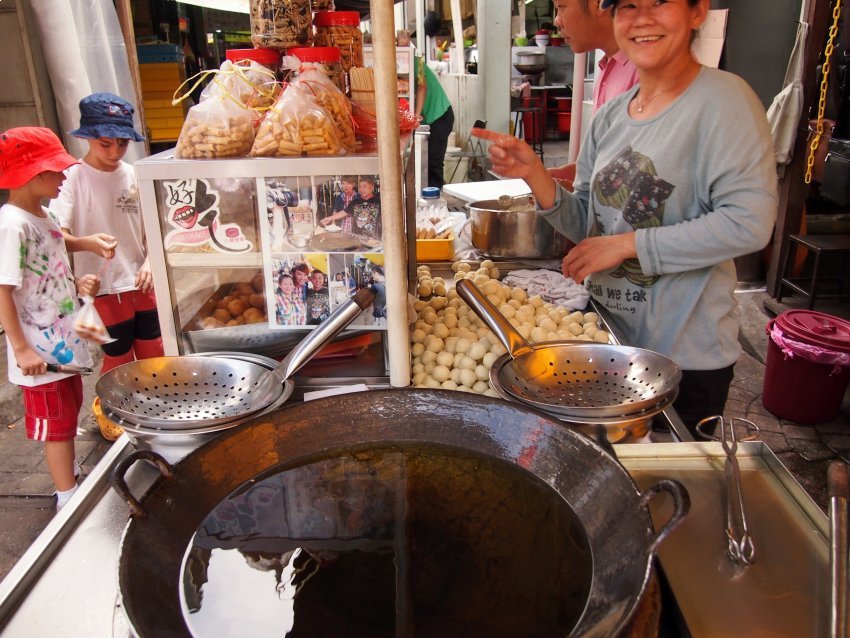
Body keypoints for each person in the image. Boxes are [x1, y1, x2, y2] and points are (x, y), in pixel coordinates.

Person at [472, 0, 778, 437]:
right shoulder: (612, 116)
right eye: (627, 6)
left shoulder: (724, 102)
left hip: (684, 359)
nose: (642, 19)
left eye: (659, 3)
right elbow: (588, 226)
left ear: (696, 12)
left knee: (670, 489)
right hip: (608, 345)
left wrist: (629, 245)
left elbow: (748, 223)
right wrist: (534, 174)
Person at [0, 127, 114, 511]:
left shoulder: (40, 214)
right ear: (31, 174)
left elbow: (53, 242)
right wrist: (20, 350)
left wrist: (84, 248)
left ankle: (70, 481)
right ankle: (66, 496)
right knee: (58, 427)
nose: (63, 175)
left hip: (62, 344)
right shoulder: (11, 225)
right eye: (55, 170)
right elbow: (3, 289)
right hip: (40, 355)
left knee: (69, 409)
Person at [50, 92, 164, 374]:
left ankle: (159, 412)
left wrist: (151, 262)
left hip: (144, 283)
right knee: (118, 358)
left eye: (122, 143)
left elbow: (154, 227)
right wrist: (85, 243)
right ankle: (116, 415)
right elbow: (55, 237)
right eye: (105, 144)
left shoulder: (136, 175)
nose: (114, 152)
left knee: (156, 355)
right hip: (103, 289)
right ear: (87, 137)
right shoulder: (70, 178)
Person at [548, 0, 639, 190]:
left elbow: (644, 172)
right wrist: (578, 174)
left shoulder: (644, 72)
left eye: (561, 7)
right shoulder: (608, 67)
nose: (557, 20)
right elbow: (611, 160)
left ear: (598, 4)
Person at [414, 54, 454, 189]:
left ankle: (436, 200)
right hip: (430, 119)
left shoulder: (413, 62)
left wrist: (416, 115)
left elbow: (422, 86)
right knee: (427, 162)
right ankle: (430, 195)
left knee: (434, 162)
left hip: (440, 115)